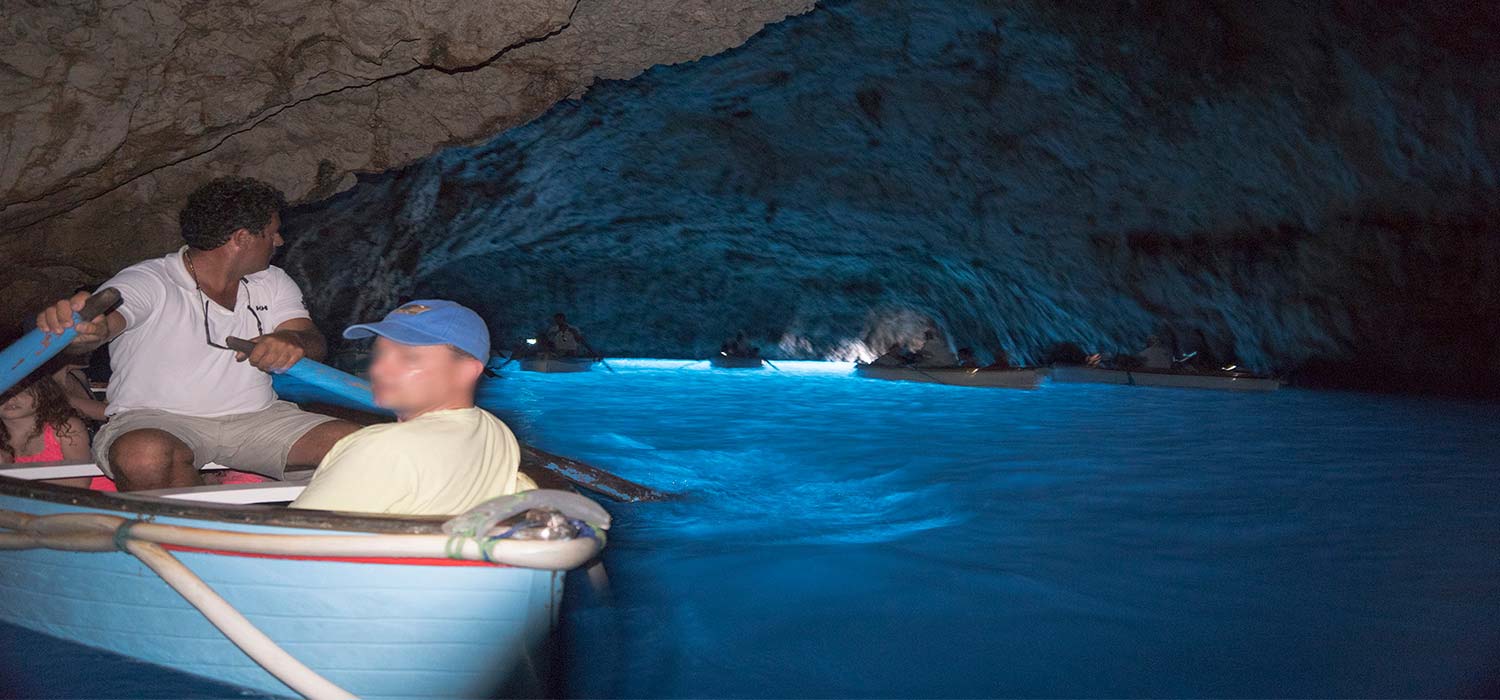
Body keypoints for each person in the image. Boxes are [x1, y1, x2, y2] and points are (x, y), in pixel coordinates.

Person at [34, 177, 359, 491]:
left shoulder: (272, 281)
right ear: (242, 238)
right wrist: (82, 331)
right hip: (157, 420)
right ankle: (194, 539)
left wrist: (292, 342)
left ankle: (322, 539)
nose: (279, 242)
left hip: (258, 419)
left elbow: (312, 340)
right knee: (143, 455)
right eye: (273, 233)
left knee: (364, 447)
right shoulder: (148, 280)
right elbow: (106, 322)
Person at [292, 300, 535, 515]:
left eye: (409, 357)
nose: (378, 369)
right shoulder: (497, 432)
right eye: (380, 354)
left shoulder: (384, 447)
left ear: (466, 371)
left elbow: (291, 541)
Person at [0, 372, 92, 488]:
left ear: (43, 392)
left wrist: (9, 478)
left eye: (21, 390)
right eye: (3, 391)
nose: (11, 398)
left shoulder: (65, 428)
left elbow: (79, 482)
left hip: (91, 500)